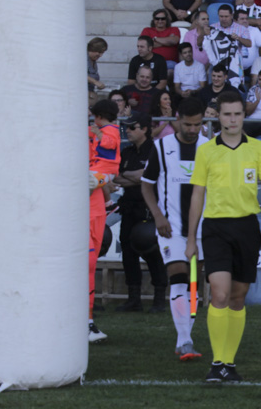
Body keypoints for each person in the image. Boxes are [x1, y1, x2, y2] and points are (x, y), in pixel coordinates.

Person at [185, 90, 261, 383]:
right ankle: (216, 363)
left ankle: (229, 361)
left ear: (243, 115)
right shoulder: (206, 150)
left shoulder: (257, 148)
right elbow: (197, 195)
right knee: (220, 294)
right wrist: (191, 238)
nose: (233, 119)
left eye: (238, 113)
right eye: (227, 114)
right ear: (218, 116)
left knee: (238, 298)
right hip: (215, 228)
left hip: (247, 228)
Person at [141, 97, 210, 360]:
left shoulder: (209, 147)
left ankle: (185, 338)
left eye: (197, 124)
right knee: (179, 277)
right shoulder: (161, 147)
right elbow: (147, 184)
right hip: (171, 227)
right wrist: (157, 215)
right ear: (178, 119)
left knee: (194, 281)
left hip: (203, 228)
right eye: (188, 124)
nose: (192, 129)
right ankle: (185, 340)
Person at [113, 112, 169, 314]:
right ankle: (133, 299)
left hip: (149, 208)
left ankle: (159, 299)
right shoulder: (126, 151)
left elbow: (146, 177)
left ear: (144, 129)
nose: (127, 131)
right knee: (128, 252)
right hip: (129, 206)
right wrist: (135, 177)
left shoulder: (155, 150)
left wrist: (135, 176)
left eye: (131, 128)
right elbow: (117, 178)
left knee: (152, 252)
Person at [87, 99, 122, 343]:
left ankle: (85, 321)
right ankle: (84, 322)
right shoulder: (97, 132)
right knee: (84, 267)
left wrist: (99, 179)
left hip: (91, 205)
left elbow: (109, 167)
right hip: (88, 205)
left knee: (86, 266)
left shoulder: (103, 133)